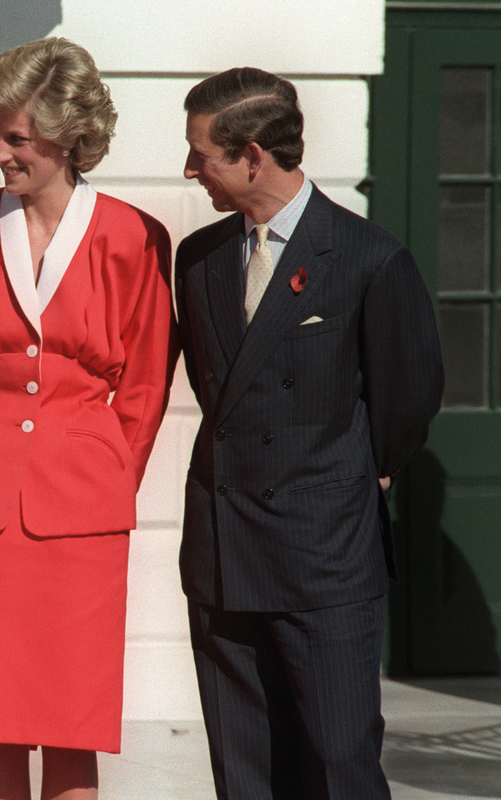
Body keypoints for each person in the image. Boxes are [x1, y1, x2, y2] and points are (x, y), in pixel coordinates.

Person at [175, 67, 444, 800]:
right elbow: (212, 384)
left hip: (324, 559)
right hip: (225, 553)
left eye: (202, 152)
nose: (190, 167)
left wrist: (349, 478)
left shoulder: (369, 258)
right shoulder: (196, 262)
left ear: (252, 155)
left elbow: (406, 403)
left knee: (337, 766)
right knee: (246, 774)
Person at [0, 37, 175, 800]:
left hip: (83, 509)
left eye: (16, 137)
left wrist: (101, 471)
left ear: (68, 135)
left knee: (72, 721)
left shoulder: (133, 236)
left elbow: (146, 385)